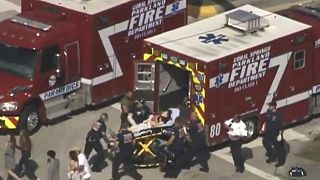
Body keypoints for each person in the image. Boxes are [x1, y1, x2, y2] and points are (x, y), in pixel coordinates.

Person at [262, 101, 286, 167]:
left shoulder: (278, 114)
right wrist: (264, 126)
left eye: (270, 106)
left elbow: (281, 125)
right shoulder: (268, 112)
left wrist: (280, 134)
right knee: (265, 143)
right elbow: (266, 120)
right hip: (268, 132)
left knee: (278, 147)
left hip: (276, 133)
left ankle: (281, 160)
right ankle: (272, 157)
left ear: (274, 106)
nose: (269, 107)